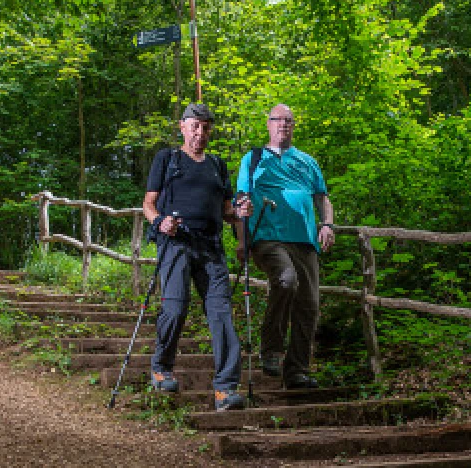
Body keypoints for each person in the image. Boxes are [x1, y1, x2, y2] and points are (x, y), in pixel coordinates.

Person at [143, 102, 252, 411]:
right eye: (195, 126)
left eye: (205, 128)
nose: (200, 133)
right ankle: (161, 369)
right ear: (183, 127)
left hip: (211, 248)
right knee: (175, 309)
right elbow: (148, 203)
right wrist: (159, 222)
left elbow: (228, 210)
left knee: (221, 314)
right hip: (176, 243)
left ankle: (225, 389)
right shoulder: (167, 159)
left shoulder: (217, 165)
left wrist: (240, 211)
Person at [235, 104, 335, 389]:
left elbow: (322, 198)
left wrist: (327, 225)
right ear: (268, 124)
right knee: (286, 279)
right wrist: (242, 238)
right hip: (268, 236)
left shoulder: (307, 161)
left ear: (294, 126)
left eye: (288, 121)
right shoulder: (254, 159)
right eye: (277, 120)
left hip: (304, 240)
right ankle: (271, 351)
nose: (283, 125)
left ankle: (297, 370)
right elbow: (241, 196)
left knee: (309, 304)